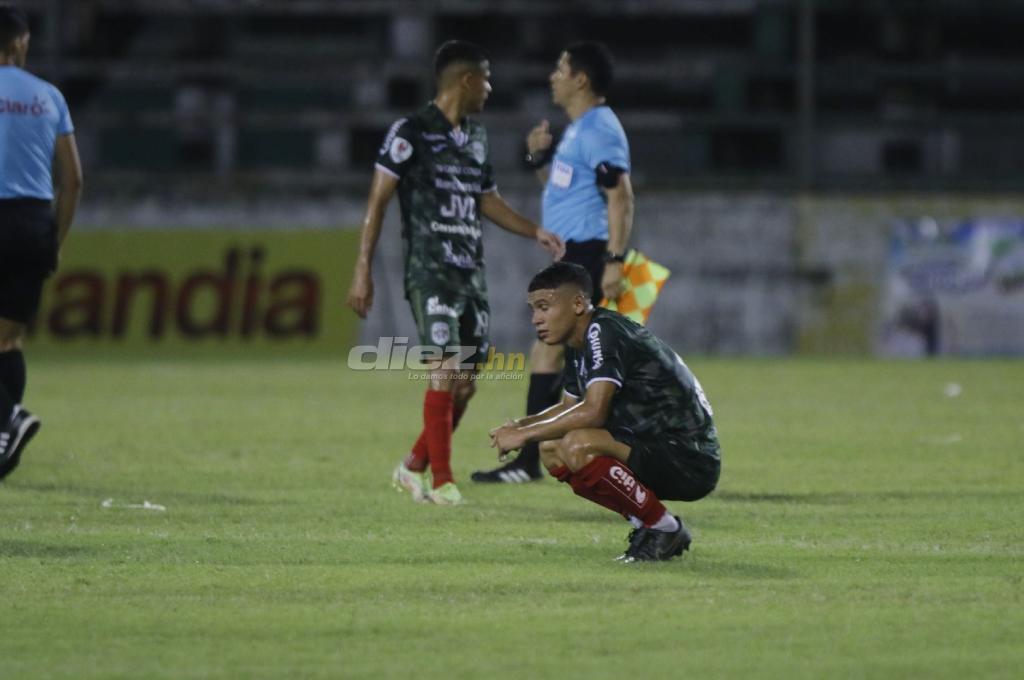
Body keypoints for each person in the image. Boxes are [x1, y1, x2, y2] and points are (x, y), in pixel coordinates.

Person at [346, 40, 564, 506]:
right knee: (444, 368)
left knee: (466, 382)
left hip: (470, 274)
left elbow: (486, 199)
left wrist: (534, 231)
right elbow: (378, 198)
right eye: (485, 78)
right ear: (465, 80)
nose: (490, 87)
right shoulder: (411, 131)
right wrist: (363, 267)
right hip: (431, 271)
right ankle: (443, 481)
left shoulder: (477, 137)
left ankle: (411, 468)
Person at [473, 41, 634, 484]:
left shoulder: (600, 127)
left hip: (589, 252)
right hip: (574, 253)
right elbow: (564, 190)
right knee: (562, 355)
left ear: (580, 79)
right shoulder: (578, 130)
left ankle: (529, 460)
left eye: (561, 68)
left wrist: (615, 259)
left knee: (549, 348)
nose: (553, 76)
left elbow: (620, 195)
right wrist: (540, 158)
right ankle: (553, 451)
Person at [489, 263, 720, 562]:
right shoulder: (579, 341)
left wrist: (523, 435)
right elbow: (569, 407)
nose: (536, 319)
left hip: (689, 458)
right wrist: (521, 425)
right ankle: (648, 524)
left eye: (545, 307)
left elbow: (593, 412)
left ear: (577, 303)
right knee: (552, 447)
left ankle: (664, 528)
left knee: (578, 444)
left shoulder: (603, 331)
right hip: (653, 446)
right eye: (534, 309)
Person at [0, 3, 83, 480]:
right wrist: (56, 238)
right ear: (19, 44)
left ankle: (6, 417)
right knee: (7, 339)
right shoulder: (49, 95)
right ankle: (6, 427)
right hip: (35, 222)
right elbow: (73, 180)